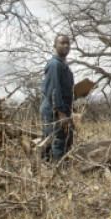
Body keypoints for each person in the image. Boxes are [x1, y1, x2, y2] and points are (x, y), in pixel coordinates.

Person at [40, 34, 75, 163]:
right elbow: (53, 90)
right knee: (57, 143)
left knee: (63, 142)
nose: (66, 45)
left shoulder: (63, 65)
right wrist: (60, 113)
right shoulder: (54, 64)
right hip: (54, 111)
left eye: (68, 43)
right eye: (62, 43)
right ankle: (59, 175)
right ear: (55, 45)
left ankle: (51, 172)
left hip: (63, 109)